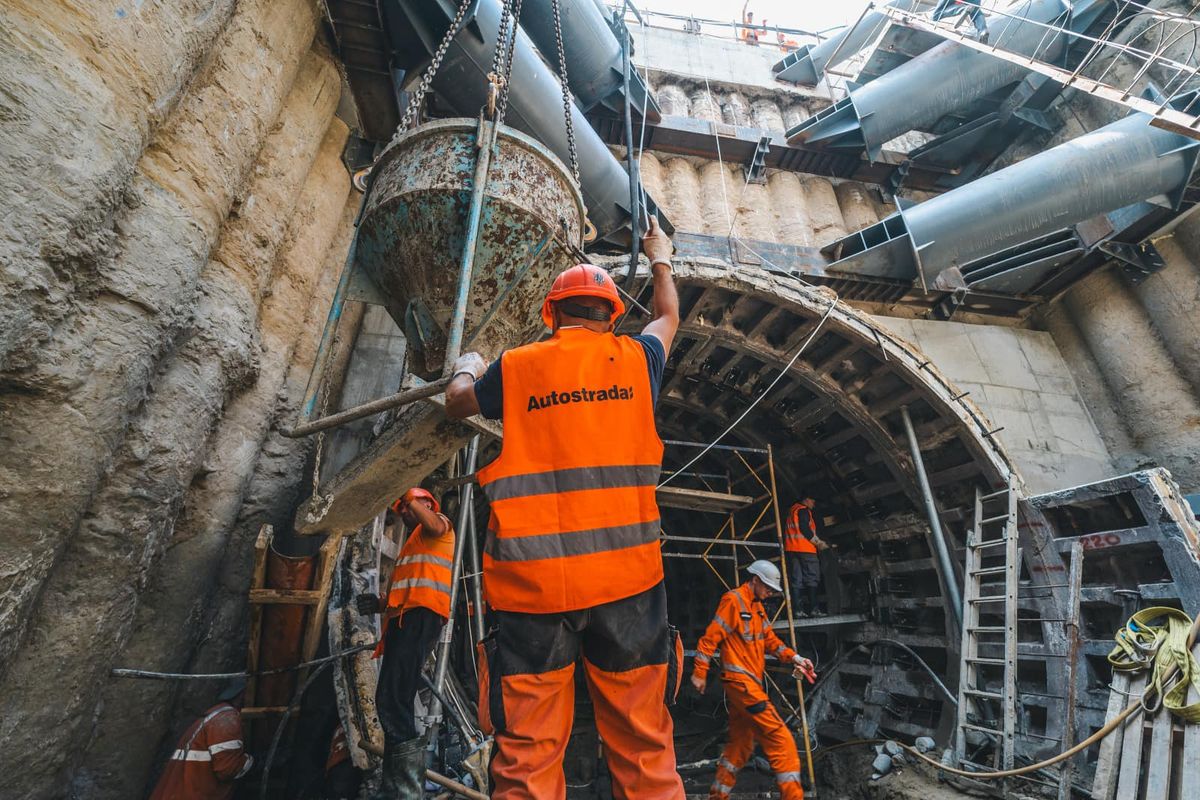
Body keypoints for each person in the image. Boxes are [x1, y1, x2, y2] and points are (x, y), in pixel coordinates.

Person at [445, 217, 683, 799]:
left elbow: (456, 404)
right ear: (612, 315)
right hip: (628, 584)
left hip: (534, 587)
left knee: (527, 754)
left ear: (551, 314)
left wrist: (469, 364)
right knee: (644, 744)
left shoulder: (520, 366)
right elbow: (669, 316)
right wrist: (660, 257)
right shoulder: (637, 360)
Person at [355, 487, 454, 798]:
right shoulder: (414, 543)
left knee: (395, 701)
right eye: (401, 510)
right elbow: (410, 588)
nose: (404, 514)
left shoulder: (438, 525)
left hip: (421, 618)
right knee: (390, 698)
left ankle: (405, 790)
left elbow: (436, 525)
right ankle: (398, 784)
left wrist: (406, 495)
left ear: (426, 503)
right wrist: (382, 604)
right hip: (406, 619)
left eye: (409, 507)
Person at [690, 561, 816, 800]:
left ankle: (717, 796)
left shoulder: (758, 607)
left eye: (772, 589)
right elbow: (709, 639)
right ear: (755, 580)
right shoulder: (733, 600)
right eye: (767, 587)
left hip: (748, 686)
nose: (770, 592)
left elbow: (770, 640)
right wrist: (699, 671)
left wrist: (795, 658)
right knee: (782, 741)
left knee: (740, 746)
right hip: (741, 684)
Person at [149, 681, 254, 800]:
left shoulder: (214, 715)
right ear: (243, 693)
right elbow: (228, 769)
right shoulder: (226, 719)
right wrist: (252, 761)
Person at [784, 497, 829, 617]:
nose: (814, 504)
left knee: (796, 580)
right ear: (807, 500)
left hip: (792, 550)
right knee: (812, 577)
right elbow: (804, 528)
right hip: (806, 549)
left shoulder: (792, 511)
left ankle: (798, 611)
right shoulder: (803, 510)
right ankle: (814, 609)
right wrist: (818, 542)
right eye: (813, 501)